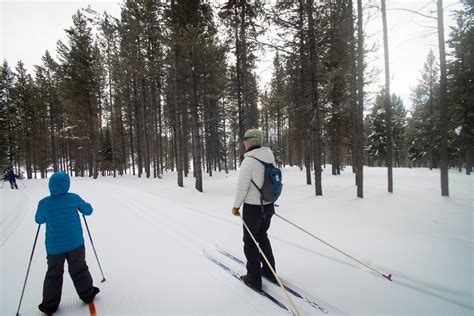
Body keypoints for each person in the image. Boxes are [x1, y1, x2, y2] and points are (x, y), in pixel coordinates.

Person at [35, 171, 99, 314]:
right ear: (67, 185)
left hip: (54, 248)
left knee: (54, 274)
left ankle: (49, 305)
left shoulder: (44, 203)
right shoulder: (73, 198)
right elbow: (88, 210)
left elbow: (39, 219)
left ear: (50, 185)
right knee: (79, 269)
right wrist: (86, 206)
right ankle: (88, 295)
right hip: (75, 243)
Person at [231, 128, 277, 291]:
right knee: (262, 237)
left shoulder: (249, 161)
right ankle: (270, 272)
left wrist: (236, 207)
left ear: (252, 141)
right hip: (269, 206)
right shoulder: (269, 158)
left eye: (245, 139)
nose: (243, 141)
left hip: (253, 208)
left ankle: (254, 279)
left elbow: (242, 188)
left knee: (250, 242)